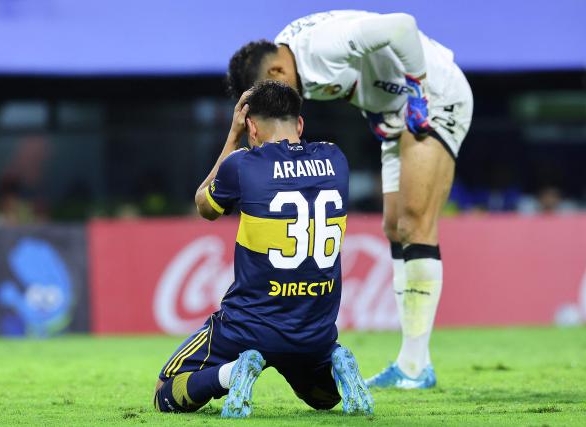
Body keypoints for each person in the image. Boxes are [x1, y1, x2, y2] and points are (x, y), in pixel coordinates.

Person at [227, 10, 474, 389]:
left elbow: (401, 26)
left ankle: (415, 366)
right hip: (394, 115)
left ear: (276, 73)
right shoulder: (288, 57)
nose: (276, 105)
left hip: (435, 98)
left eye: (271, 95)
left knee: (413, 222)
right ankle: (412, 361)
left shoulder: (322, 46)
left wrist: (417, 88)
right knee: (394, 227)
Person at [154, 80, 373, 418]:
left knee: (165, 392)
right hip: (314, 331)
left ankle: (232, 373)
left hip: (248, 326)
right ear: (299, 124)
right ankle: (336, 362)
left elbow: (204, 206)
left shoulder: (242, 164)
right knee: (323, 400)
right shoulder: (336, 158)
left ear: (252, 126)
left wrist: (232, 137)